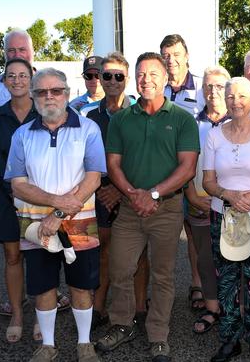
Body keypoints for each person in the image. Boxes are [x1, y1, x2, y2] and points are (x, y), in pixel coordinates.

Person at [96, 52, 199, 362]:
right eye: (141, 74)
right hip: (129, 209)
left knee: (164, 276)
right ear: (135, 79)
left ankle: (158, 336)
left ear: (165, 79)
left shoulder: (181, 118)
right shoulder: (121, 119)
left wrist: (152, 194)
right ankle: (122, 325)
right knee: (120, 268)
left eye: (153, 74)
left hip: (166, 209)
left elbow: (188, 167)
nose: (146, 79)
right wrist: (132, 193)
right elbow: (113, 164)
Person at [5, 68, 105, 362]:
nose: (49, 97)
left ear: (67, 93)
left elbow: (93, 179)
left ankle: (84, 343)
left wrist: (58, 213)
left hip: (80, 223)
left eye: (56, 90)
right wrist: (54, 201)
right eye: (42, 92)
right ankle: (48, 344)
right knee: (43, 286)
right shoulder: (22, 134)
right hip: (36, 227)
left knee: (81, 285)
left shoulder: (88, 129)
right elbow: (18, 185)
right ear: (33, 96)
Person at [203, 76, 250, 362]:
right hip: (223, 216)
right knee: (227, 280)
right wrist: (229, 196)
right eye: (231, 95)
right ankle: (229, 340)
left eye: (242, 96)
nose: (236, 101)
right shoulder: (214, 135)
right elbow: (208, 181)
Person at [81, 52, 150, 329]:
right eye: (104, 75)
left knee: (140, 253)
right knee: (103, 250)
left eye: (117, 76)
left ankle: (141, 307)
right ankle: (99, 306)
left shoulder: (141, 114)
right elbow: (82, 159)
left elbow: (145, 160)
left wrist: (122, 192)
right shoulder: (88, 116)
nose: (110, 81)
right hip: (99, 191)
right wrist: (99, 189)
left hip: (132, 191)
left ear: (127, 79)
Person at [0, 58, 39, 343]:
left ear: (32, 78)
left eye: (22, 75)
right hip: (6, 197)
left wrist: (35, 193)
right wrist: (13, 191)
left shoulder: (45, 112)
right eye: (11, 76)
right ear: (4, 82)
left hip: (41, 198)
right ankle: (17, 313)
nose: (17, 80)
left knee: (41, 255)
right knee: (13, 255)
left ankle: (43, 313)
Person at [160, 34, 206, 312]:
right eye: (166, 55)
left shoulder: (202, 88)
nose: (171, 60)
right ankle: (161, 292)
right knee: (161, 237)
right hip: (163, 178)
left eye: (176, 54)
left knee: (195, 235)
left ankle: (198, 285)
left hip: (194, 176)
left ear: (187, 55)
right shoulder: (156, 87)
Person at [186, 66, 231, 334]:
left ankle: (232, 308)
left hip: (233, 206)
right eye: (208, 86)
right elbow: (186, 165)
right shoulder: (193, 124)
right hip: (201, 203)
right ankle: (212, 309)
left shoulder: (240, 122)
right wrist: (191, 195)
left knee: (233, 258)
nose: (213, 91)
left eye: (218, 86)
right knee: (205, 258)